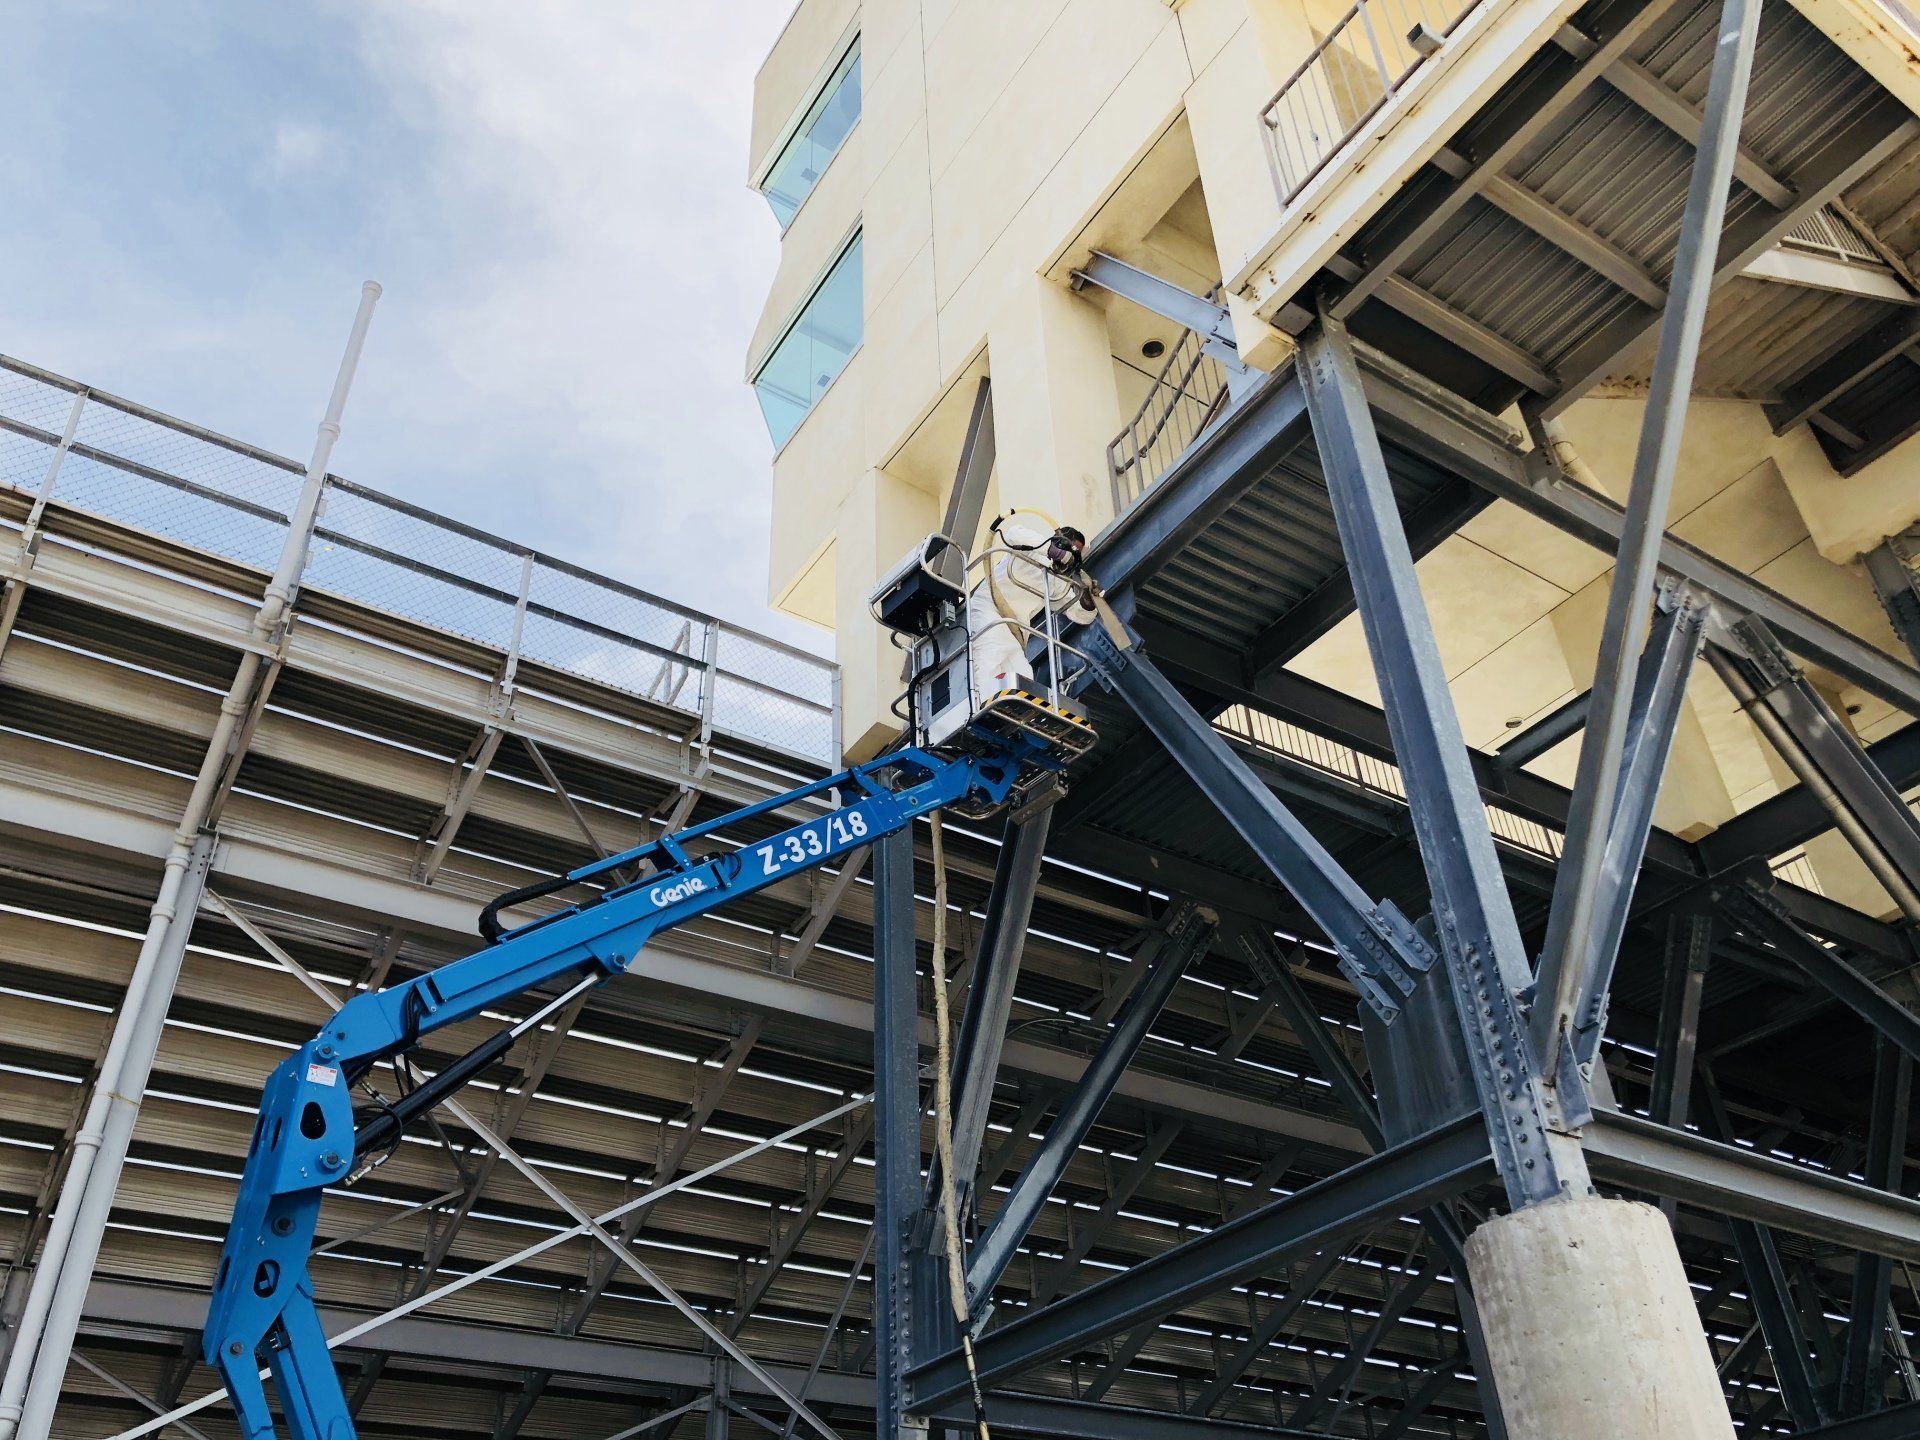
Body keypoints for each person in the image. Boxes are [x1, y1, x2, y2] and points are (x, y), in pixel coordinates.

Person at [965, 512, 1091, 703]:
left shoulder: (1057, 583)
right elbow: (1013, 534)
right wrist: (1053, 552)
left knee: (1022, 674)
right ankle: (981, 707)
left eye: (1075, 555)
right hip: (989, 609)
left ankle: (1009, 720)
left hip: (1015, 629)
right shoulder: (1033, 549)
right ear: (1060, 542)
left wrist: (1088, 597)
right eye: (1070, 550)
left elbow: (1081, 615)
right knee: (989, 658)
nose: (1071, 557)